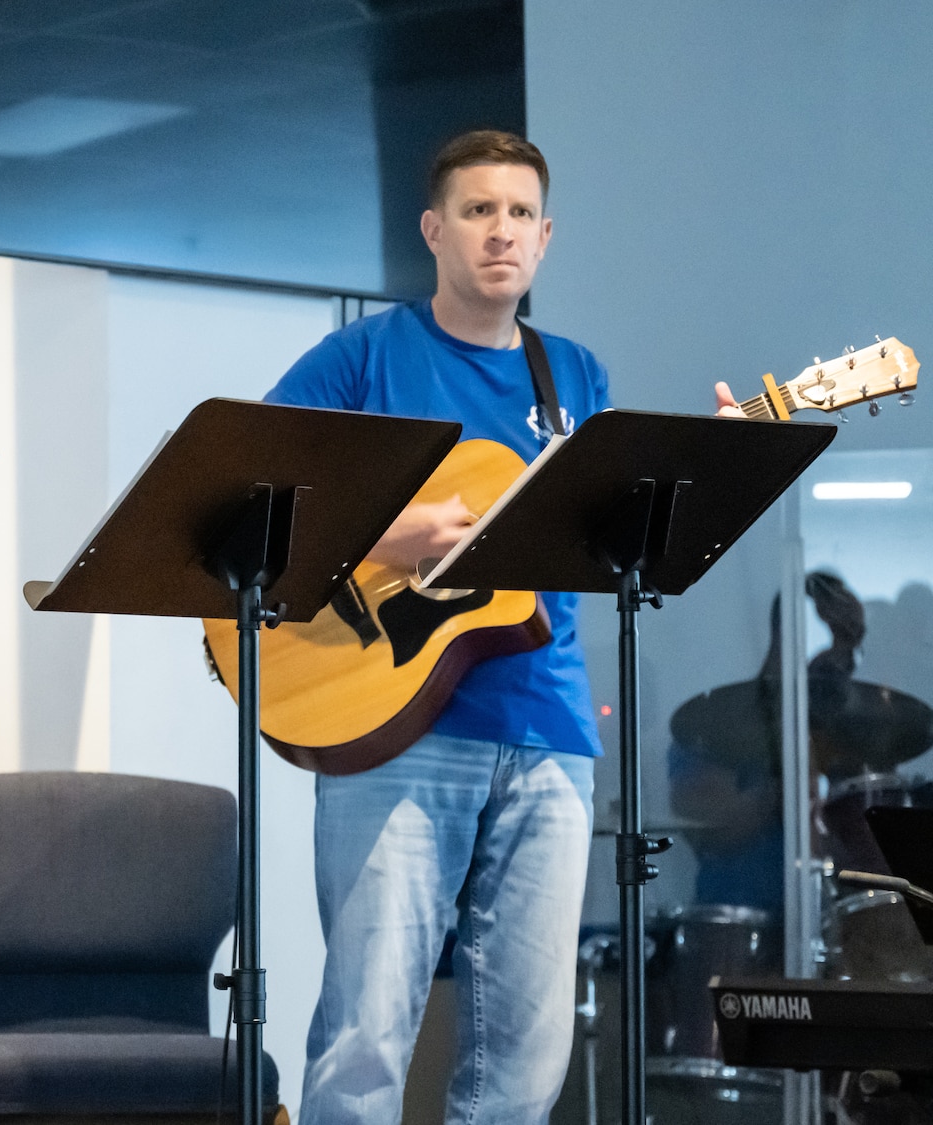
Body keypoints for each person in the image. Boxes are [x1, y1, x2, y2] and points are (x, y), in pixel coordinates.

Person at [263, 129, 604, 1125]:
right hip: (397, 723)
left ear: (544, 237)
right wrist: (387, 530)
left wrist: (679, 480)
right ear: (432, 230)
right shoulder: (361, 358)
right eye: (474, 210)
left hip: (549, 729)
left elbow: (596, 533)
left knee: (528, 1050)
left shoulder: (573, 374)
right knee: (368, 1032)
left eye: (516, 214)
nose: (498, 232)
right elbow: (256, 499)